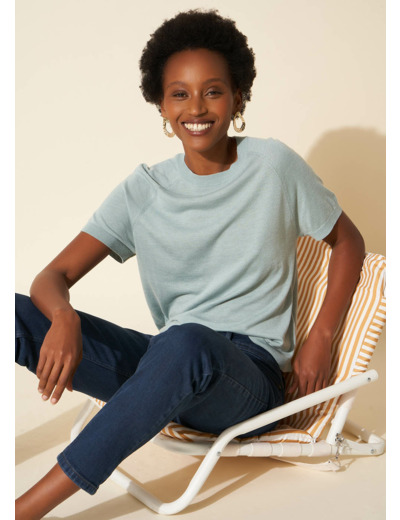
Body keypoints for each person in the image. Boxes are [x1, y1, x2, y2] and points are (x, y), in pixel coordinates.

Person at [15, 9, 365, 520]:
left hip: (249, 381)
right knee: (17, 314)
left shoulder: (274, 166)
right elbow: (52, 277)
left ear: (239, 97)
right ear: (160, 104)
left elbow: (348, 240)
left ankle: (23, 510)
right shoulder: (143, 190)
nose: (196, 108)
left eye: (213, 91)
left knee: (186, 342)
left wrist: (322, 335)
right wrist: (63, 316)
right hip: (168, 366)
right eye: (179, 94)